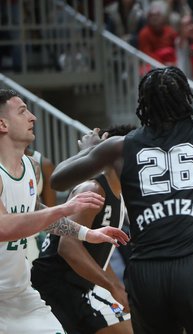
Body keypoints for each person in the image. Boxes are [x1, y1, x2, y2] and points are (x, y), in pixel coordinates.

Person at [49, 0, 193, 334]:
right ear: (187, 99)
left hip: (146, 271)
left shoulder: (119, 146)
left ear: (143, 105)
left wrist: (89, 150)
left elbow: (58, 178)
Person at [0, 89, 128, 333]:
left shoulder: (32, 168)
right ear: (2, 124)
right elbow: (3, 226)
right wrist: (66, 208)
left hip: (19, 294)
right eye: (22, 111)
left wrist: (84, 233)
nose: (33, 117)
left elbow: (33, 210)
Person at [31, 125, 134, 334]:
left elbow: (100, 258)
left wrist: (118, 288)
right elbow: (68, 247)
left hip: (78, 284)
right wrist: (112, 287)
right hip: (57, 283)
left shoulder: (120, 193)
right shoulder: (93, 188)